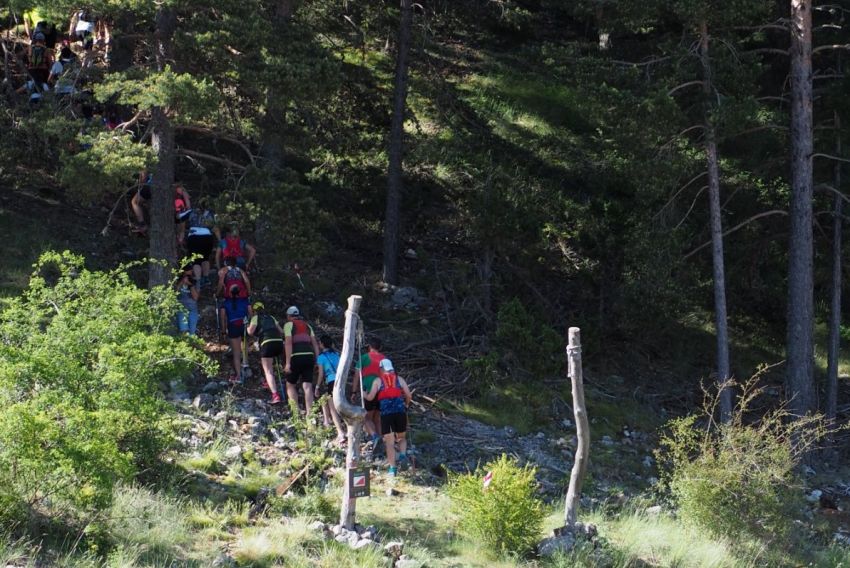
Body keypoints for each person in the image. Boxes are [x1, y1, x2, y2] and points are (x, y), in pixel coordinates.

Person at [365, 358, 412, 477]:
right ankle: (402, 455)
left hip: (387, 415)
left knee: (389, 443)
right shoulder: (399, 379)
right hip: (400, 413)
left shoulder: (378, 381)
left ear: (381, 369)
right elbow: (408, 395)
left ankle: (392, 469)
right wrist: (406, 404)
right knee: (401, 437)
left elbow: (370, 397)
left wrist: (363, 393)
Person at [283, 306, 320, 416]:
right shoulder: (307, 326)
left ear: (289, 316)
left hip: (296, 356)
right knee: (307, 385)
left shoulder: (288, 325)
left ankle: (296, 411)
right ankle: (310, 414)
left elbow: (288, 342)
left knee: (290, 384)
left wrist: (288, 363)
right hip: (309, 357)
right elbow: (315, 344)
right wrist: (317, 360)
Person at [246, 302, 283, 405]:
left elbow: (250, 332)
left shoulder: (255, 318)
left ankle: (275, 395)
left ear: (254, 311)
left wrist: (246, 325)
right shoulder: (271, 317)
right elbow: (281, 331)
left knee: (268, 371)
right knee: (270, 365)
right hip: (278, 342)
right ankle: (268, 383)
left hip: (267, 343)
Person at [353, 336, 386, 447]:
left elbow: (357, 376)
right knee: (377, 418)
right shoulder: (385, 359)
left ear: (369, 347)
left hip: (369, 389)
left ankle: (375, 437)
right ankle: (381, 441)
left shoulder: (364, 358)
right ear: (380, 347)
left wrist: (354, 391)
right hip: (383, 390)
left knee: (366, 417)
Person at [316, 334, 346, 444]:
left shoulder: (321, 357)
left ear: (322, 344)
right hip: (340, 382)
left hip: (331, 382)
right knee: (326, 400)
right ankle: (326, 421)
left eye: (319, 343)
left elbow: (320, 374)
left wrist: (317, 386)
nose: (319, 345)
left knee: (333, 408)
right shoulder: (336, 355)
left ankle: (340, 432)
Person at [220, 288, 252, 382]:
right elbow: (251, 313)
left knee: (236, 353)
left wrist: (223, 331)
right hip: (244, 325)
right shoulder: (245, 301)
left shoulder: (225, 303)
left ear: (230, 293)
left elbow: (222, 318)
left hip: (233, 326)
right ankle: (246, 364)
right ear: (239, 292)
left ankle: (238, 375)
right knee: (245, 346)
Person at [185, 207, 217, 287]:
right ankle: (206, 278)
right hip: (207, 236)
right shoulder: (211, 213)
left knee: (196, 261)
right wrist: (219, 240)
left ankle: (198, 280)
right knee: (205, 258)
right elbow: (215, 227)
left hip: (194, 236)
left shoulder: (191, 211)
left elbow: (180, 218)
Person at [175, 266, 200, 335]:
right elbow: (175, 293)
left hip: (192, 308)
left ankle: (191, 344)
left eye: (191, 271)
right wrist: (182, 282)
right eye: (187, 272)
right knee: (184, 330)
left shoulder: (195, 281)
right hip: (181, 308)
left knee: (192, 332)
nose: (190, 273)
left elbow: (195, 297)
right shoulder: (178, 280)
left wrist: (190, 285)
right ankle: (184, 345)